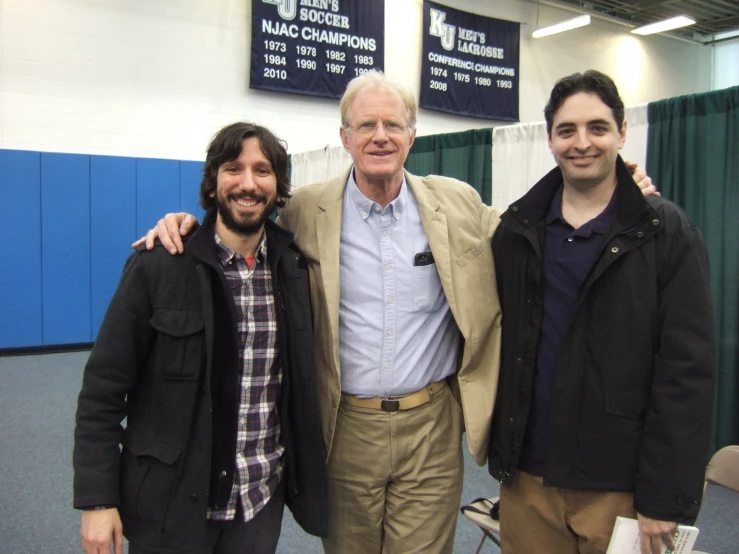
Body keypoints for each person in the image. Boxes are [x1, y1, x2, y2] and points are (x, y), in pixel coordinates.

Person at [140, 71, 656, 554]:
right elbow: (241, 216)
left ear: (413, 135)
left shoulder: (456, 203)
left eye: (393, 125)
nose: (380, 136)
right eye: (367, 125)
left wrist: (612, 187)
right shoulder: (304, 213)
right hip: (343, 429)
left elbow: (535, 230)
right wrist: (185, 223)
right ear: (346, 138)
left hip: (431, 426)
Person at [487, 70, 715, 554]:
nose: (582, 143)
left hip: (619, 487)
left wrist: (666, 496)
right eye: (567, 130)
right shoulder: (517, 231)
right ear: (550, 138)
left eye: (597, 127)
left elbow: (686, 376)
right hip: (527, 481)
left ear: (622, 132)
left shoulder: (665, 233)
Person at [73, 122, 328, 554]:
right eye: (234, 168)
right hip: (170, 504)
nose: (248, 183)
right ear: (212, 184)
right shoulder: (159, 266)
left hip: (259, 504)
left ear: (278, 188)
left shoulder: (294, 270)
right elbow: (102, 391)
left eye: (262, 171)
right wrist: (98, 499)